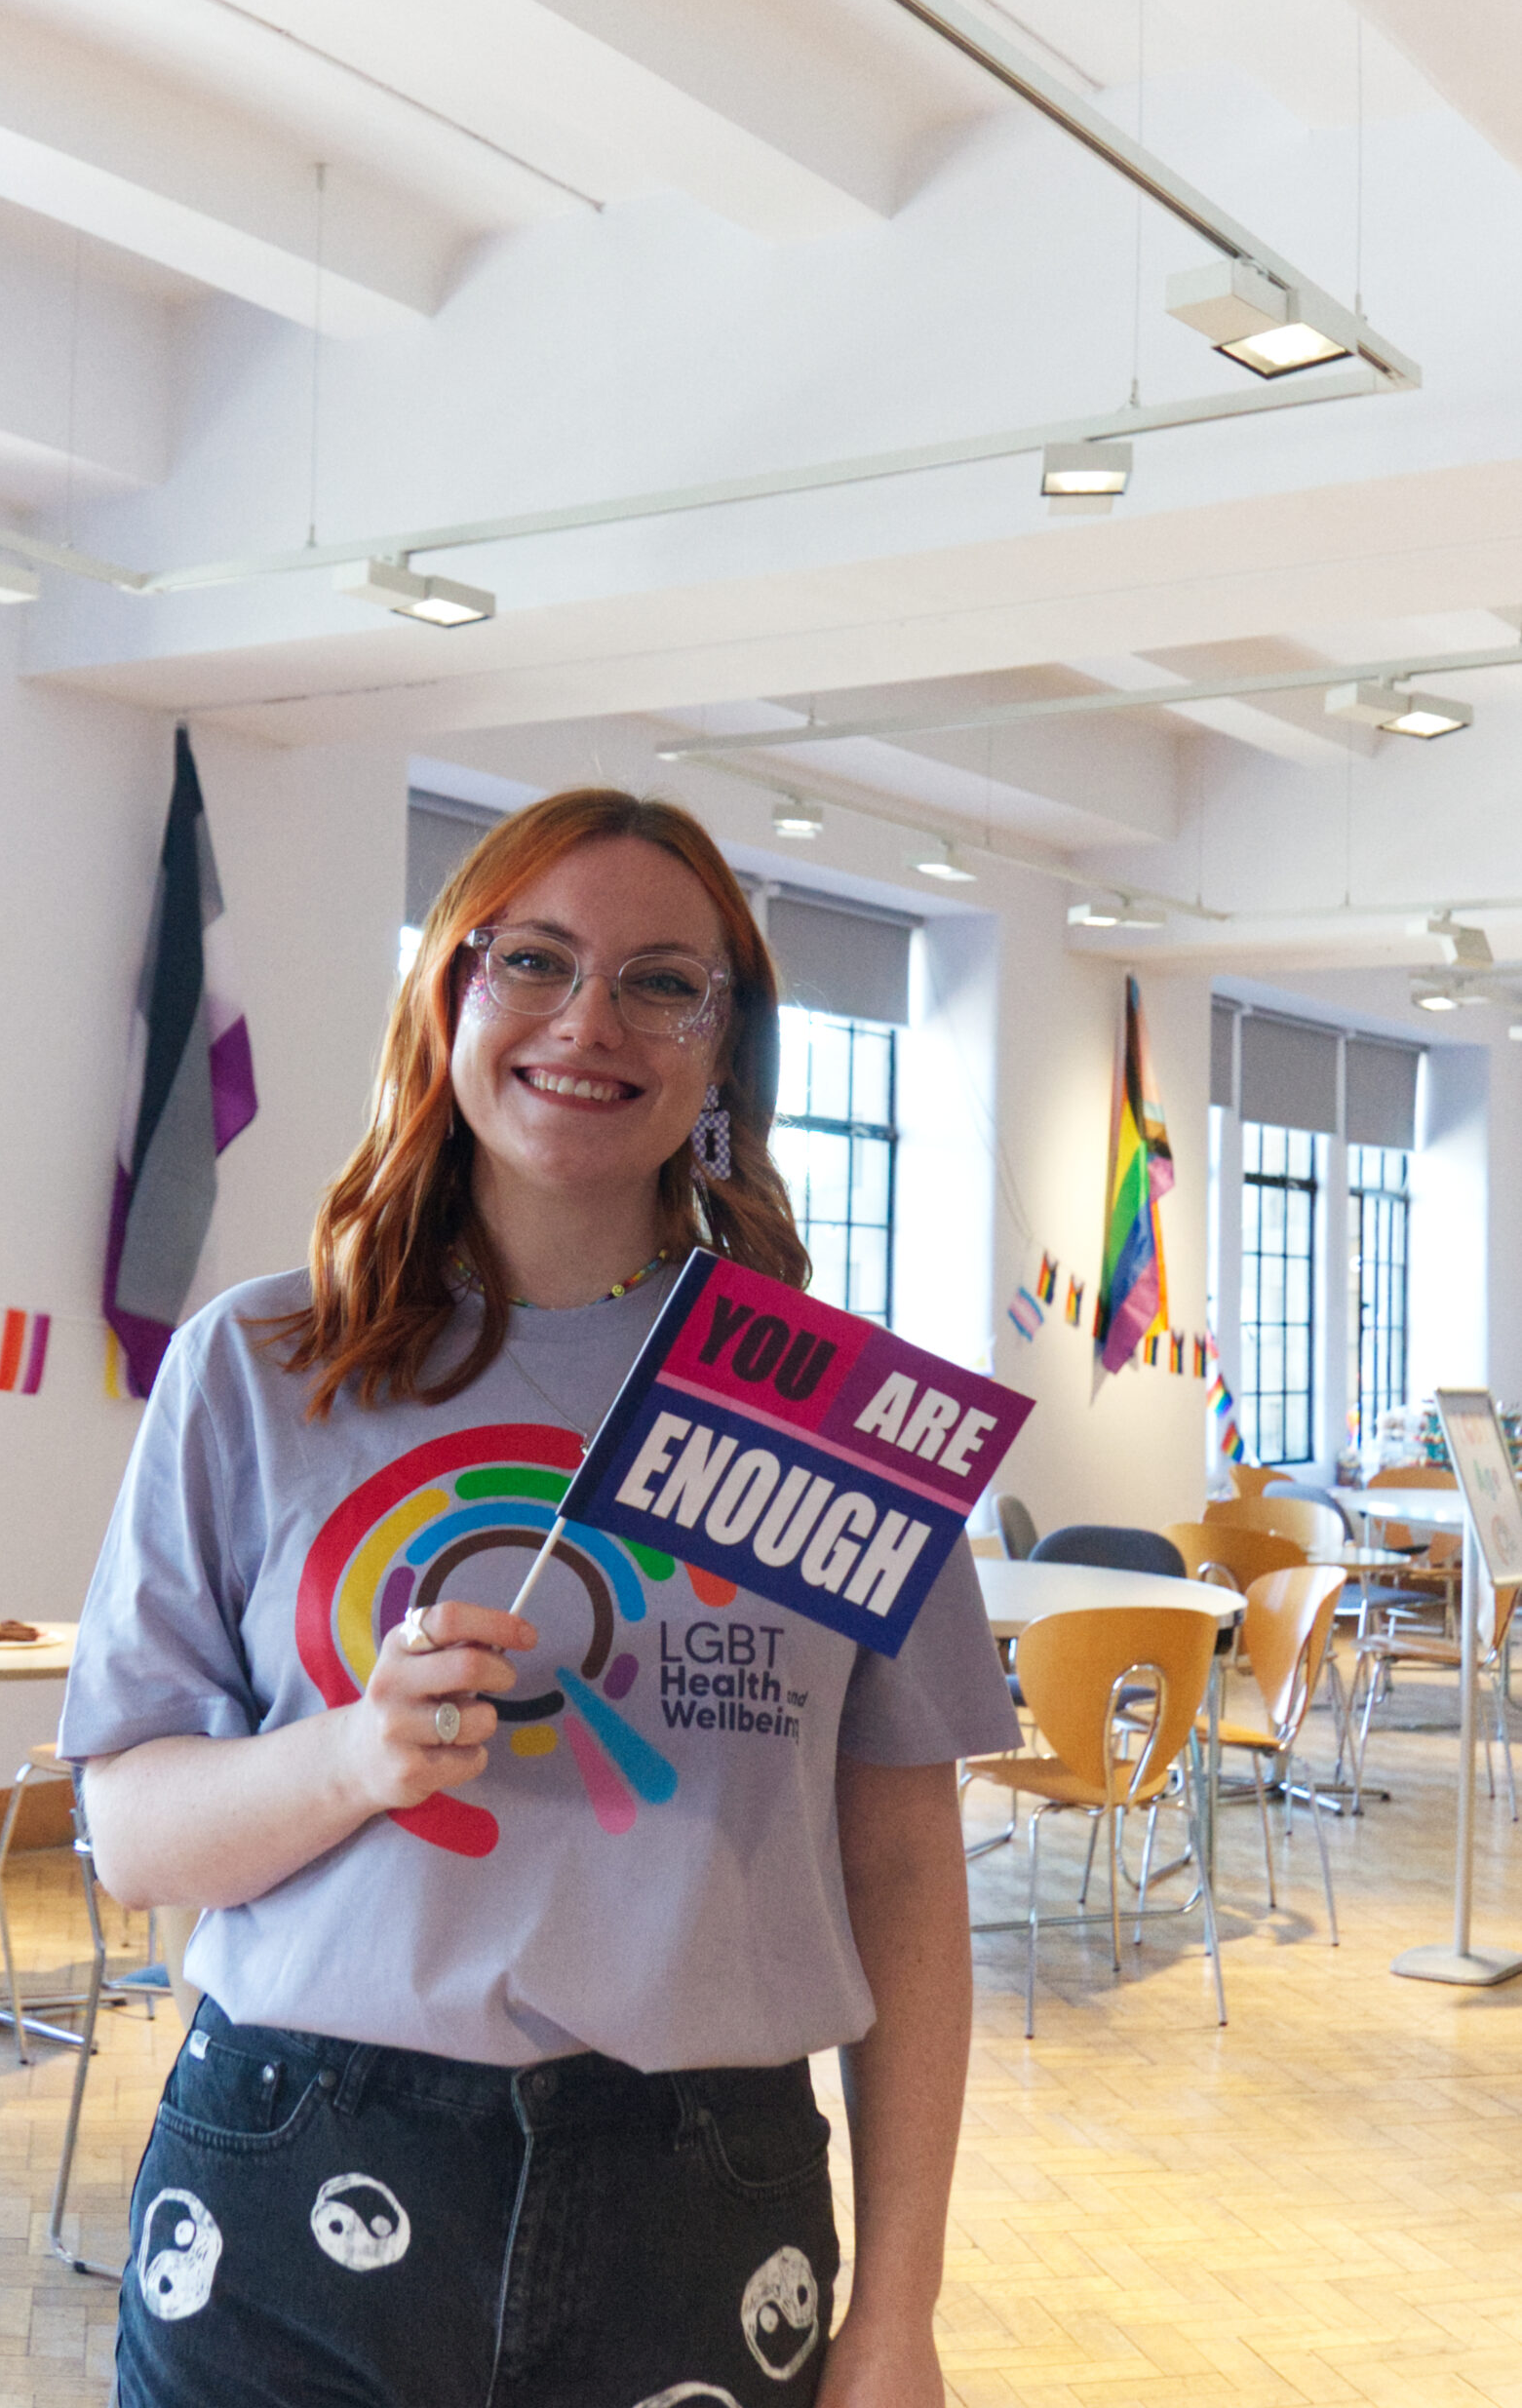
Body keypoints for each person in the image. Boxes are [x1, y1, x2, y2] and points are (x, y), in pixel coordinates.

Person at [63, 787, 1019, 2408]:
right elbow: (136, 1840)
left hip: (703, 2184)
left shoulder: (830, 1417)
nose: (590, 1022)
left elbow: (908, 1884)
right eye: (534, 961)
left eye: (663, 980)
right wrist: (354, 1759)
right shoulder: (260, 1360)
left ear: (723, 1050)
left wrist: (900, 2308)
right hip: (297, 2164)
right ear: (449, 996)